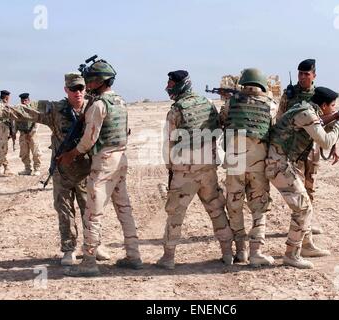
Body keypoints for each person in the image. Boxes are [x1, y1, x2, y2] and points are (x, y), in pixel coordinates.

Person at [0, 73, 111, 266]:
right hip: (63, 170)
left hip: (87, 170)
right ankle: (69, 249)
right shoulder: (55, 109)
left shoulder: (94, 106)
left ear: (85, 89)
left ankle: (95, 245)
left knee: (91, 209)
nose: (78, 93)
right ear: (66, 90)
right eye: (73, 89)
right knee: (64, 210)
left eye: (81, 88)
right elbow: (27, 110)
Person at [58, 58, 143, 277]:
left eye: (90, 80)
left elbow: (89, 140)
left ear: (97, 81)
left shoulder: (98, 105)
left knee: (92, 214)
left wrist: (71, 154)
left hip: (104, 162)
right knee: (124, 208)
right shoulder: (120, 101)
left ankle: (88, 262)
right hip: (121, 158)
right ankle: (134, 256)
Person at [156, 70, 234, 270]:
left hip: (185, 171)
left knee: (176, 213)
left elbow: (169, 145)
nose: (168, 87)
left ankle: (168, 258)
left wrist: (170, 168)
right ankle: (227, 253)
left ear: (180, 85)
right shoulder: (207, 103)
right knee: (216, 208)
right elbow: (218, 129)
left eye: (171, 84)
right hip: (208, 167)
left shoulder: (175, 111)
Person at [265, 87, 339, 269]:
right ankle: (292, 254)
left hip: (280, 163)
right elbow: (325, 141)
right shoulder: (307, 113)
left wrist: (335, 119)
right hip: (279, 165)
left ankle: (305, 246)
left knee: (304, 206)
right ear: (324, 105)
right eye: (332, 106)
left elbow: (318, 124)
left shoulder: (304, 109)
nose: (334, 110)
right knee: (303, 208)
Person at [220, 68, 278, 267]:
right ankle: (256, 252)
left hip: (235, 164)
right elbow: (274, 129)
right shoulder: (270, 105)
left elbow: (222, 121)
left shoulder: (231, 103)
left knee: (234, 206)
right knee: (259, 207)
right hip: (258, 165)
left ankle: (241, 251)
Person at [278, 59, 327, 234]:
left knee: (310, 185)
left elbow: (327, 121)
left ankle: (308, 222)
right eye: (300, 73)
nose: (302, 77)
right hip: (294, 149)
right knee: (297, 188)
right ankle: (298, 223)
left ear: (314, 75)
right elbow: (280, 119)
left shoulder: (320, 95)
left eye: (306, 74)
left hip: (312, 147)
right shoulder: (289, 94)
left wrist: (334, 146)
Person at [15, 93, 42, 176]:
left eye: (25, 100)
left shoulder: (33, 110)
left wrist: (31, 133)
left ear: (28, 100)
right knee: (24, 153)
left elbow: (37, 123)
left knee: (36, 152)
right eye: (22, 100)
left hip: (32, 134)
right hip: (23, 134)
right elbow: (15, 122)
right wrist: (13, 133)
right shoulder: (18, 111)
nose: (24, 102)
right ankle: (27, 169)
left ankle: (37, 169)